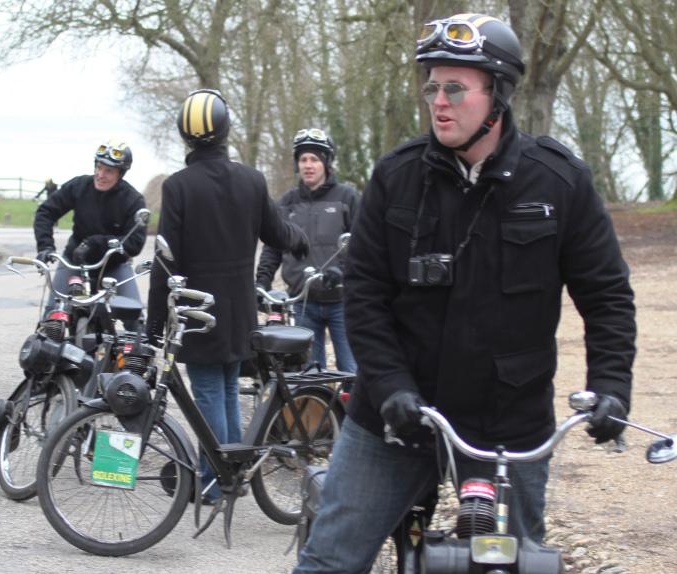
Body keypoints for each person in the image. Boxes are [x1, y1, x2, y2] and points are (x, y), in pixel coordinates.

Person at [294, 14, 636, 573]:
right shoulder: (395, 177)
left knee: (522, 564)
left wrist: (611, 385)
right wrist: (392, 388)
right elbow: (365, 296)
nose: (439, 102)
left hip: (509, 423)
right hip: (398, 417)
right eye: (432, 87)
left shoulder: (559, 181)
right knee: (331, 559)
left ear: (497, 97)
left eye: (456, 88)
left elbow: (606, 295)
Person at [146, 89, 309, 501]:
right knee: (227, 391)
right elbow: (276, 232)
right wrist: (299, 239)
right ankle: (231, 473)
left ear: (186, 136)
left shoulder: (179, 187)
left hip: (199, 310)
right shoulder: (251, 180)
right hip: (239, 310)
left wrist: (152, 326)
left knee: (209, 394)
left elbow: (166, 261)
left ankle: (219, 479)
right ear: (224, 130)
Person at [255, 128, 361, 373]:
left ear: (326, 163)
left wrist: (342, 270)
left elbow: (363, 244)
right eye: (303, 159)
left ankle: (350, 412)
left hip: (342, 301)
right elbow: (273, 246)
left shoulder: (348, 198)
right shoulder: (287, 203)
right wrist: (261, 283)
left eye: (314, 159)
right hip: (302, 303)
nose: (308, 165)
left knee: (350, 371)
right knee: (310, 375)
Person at [32, 140, 147, 326]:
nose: (101, 175)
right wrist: (45, 246)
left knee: (134, 319)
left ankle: (129, 354)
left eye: (109, 171)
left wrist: (97, 243)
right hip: (75, 260)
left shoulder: (132, 199)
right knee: (52, 316)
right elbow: (46, 212)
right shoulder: (79, 186)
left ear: (121, 173)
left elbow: (135, 242)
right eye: (99, 167)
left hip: (113, 265)